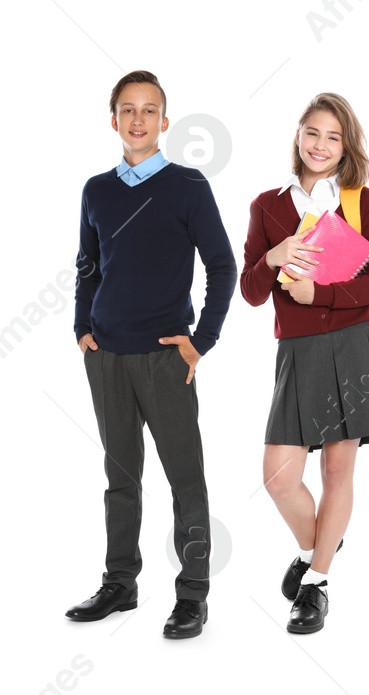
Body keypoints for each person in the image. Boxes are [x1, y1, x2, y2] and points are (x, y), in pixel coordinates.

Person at [66, 70, 236, 639]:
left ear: (165, 123)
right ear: (113, 119)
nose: (137, 120)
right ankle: (121, 582)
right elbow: (88, 265)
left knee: (185, 477)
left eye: (149, 111)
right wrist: (82, 327)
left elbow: (222, 266)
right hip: (107, 357)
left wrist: (201, 341)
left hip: (166, 357)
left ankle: (192, 594)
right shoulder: (97, 189)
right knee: (121, 477)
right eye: (127, 110)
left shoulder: (187, 186)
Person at [241, 92, 369, 634]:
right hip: (299, 352)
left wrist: (324, 295)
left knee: (338, 468)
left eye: (333, 137)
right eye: (312, 133)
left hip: (359, 343)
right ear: (298, 136)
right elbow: (250, 291)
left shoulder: (364, 202)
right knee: (277, 477)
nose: (321, 145)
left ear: (347, 146)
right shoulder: (267, 205)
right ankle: (316, 545)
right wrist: (273, 258)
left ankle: (316, 584)